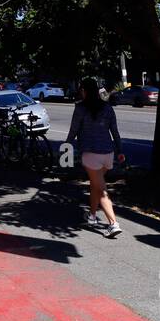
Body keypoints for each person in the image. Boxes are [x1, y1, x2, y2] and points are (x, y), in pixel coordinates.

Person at [66, 77, 125, 237]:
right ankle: (92, 216)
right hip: (108, 154)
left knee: (102, 189)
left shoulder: (80, 108)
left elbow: (73, 131)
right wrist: (120, 151)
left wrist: (66, 149)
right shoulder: (107, 108)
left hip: (91, 154)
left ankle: (113, 223)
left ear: (84, 91)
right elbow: (115, 132)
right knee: (96, 184)